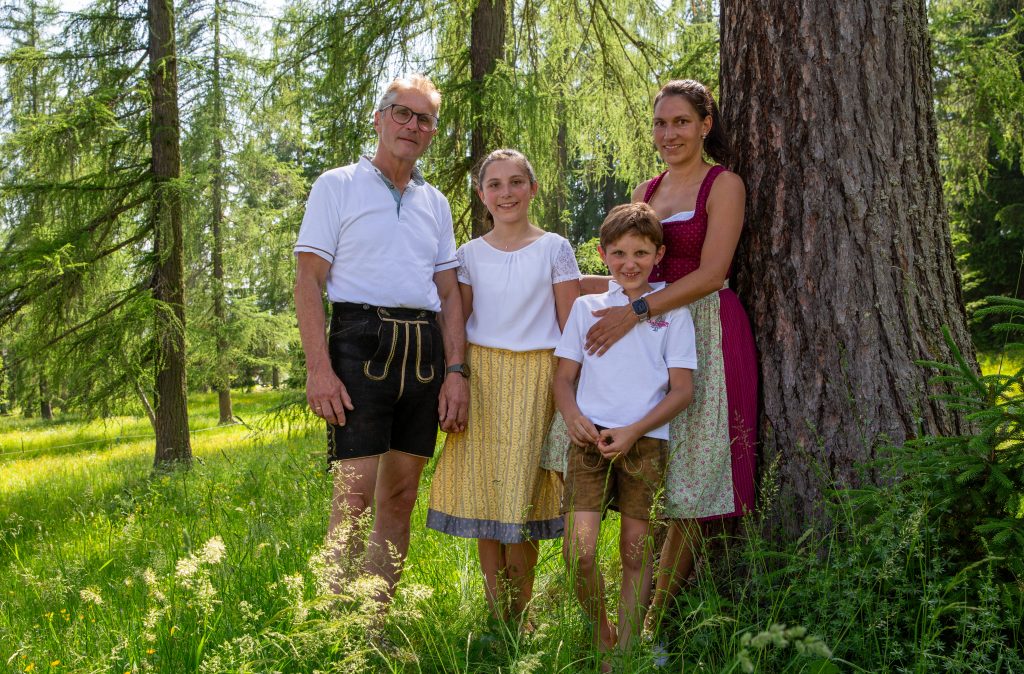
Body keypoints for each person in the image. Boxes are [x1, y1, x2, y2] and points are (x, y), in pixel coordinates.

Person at [582, 79, 759, 628]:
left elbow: (712, 273)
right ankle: (632, 608)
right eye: (661, 123)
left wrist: (635, 313)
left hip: (704, 326)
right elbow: (631, 266)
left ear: (706, 124)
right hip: (651, 334)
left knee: (693, 476)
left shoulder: (722, 184)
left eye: (681, 121)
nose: (669, 134)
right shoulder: (647, 188)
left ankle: (654, 620)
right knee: (653, 460)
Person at [293, 74, 469, 608]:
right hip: (358, 344)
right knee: (353, 497)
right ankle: (327, 625)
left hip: (423, 354)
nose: (412, 126)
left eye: (424, 119)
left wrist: (456, 371)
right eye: (402, 113)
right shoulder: (337, 185)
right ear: (379, 117)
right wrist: (318, 369)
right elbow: (308, 279)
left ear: (432, 133)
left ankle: (371, 629)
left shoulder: (434, 202)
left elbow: (448, 292)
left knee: (399, 496)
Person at [427, 149, 581, 627]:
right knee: (487, 496)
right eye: (495, 184)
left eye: (516, 182)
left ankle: (523, 610)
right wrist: (456, 377)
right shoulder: (468, 255)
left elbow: (570, 325)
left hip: (538, 379)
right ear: (482, 195)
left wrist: (570, 392)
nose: (506, 192)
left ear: (532, 189)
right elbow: (458, 318)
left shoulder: (555, 247)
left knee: (522, 495)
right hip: (484, 379)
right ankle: (499, 618)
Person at [554, 202, 697, 664]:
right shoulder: (586, 307)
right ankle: (603, 635)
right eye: (618, 253)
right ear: (602, 254)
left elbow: (682, 391)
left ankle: (629, 652)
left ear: (658, 254)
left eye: (640, 252)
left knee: (636, 555)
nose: (629, 263)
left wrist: (634, 431)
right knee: (580, 554)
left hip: (645, 442)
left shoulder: (672, 312)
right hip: (588, 441)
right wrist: (573, 414)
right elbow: (562, 379)